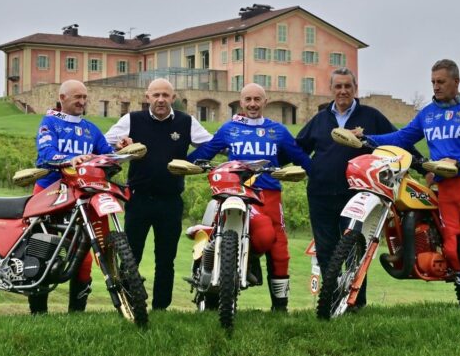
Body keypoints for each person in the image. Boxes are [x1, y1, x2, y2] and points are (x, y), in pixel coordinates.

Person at [363, 59, 460, 310]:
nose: (435, 87)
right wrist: (366, 139)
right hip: (444, 185)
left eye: (441, 82)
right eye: (433, 82)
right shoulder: (427, 114)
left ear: (456, 82)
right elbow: (401, 137)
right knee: (451, 243)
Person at [187, 82, 313, 312]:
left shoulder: (278, 131)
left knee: (277, 246)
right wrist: (184, 163)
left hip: (269, 195)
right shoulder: (229, 129)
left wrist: (318, 174)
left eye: (257, 99)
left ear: (265, 102)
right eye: (248, 99)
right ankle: (212, 282)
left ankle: (280, 307)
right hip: (235, 193)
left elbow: (300, 158)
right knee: (216, 234)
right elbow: (205, 153)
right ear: (241, 101)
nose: (253, 104)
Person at [104, 78, 213, 311]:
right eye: (156, 95)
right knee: (131, 257)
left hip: (170, 201)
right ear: (147, 97)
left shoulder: (186, 122)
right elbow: (105, 144)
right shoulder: (132, 120)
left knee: (166, 260)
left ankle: (161, 308)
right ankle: (129, 304)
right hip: (138, 198)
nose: (161, 99)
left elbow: (211, 145)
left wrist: (190, 161)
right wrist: (121, 145)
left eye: (165, 95)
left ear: (173, 98)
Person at [295, 67, 397, 312]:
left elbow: (398, 141)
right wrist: (310, 167)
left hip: (359, 196)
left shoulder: (371, 116)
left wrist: (421, 164)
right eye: (338, 86)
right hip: (320, 194)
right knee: (326, 250)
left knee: (355, 249)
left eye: (347, 86)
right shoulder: (320, 120)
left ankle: (355, 304)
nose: (342, 91)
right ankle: (330, 302)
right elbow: (297, 147)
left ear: (355, 89)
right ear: (331, 90)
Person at [31, 79, 114, 315]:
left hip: (79, 198)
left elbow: (107, 156)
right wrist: (70, 160)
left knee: (83, 258)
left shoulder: (91, 129)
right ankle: (38, 315)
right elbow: (44, 156)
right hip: (48, 193)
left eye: (85, 97)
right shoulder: (49, 122)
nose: (82, 101)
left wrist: (119, 151)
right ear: (62, 98)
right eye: (77, 97)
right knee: (42, 251)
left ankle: (76, 314)